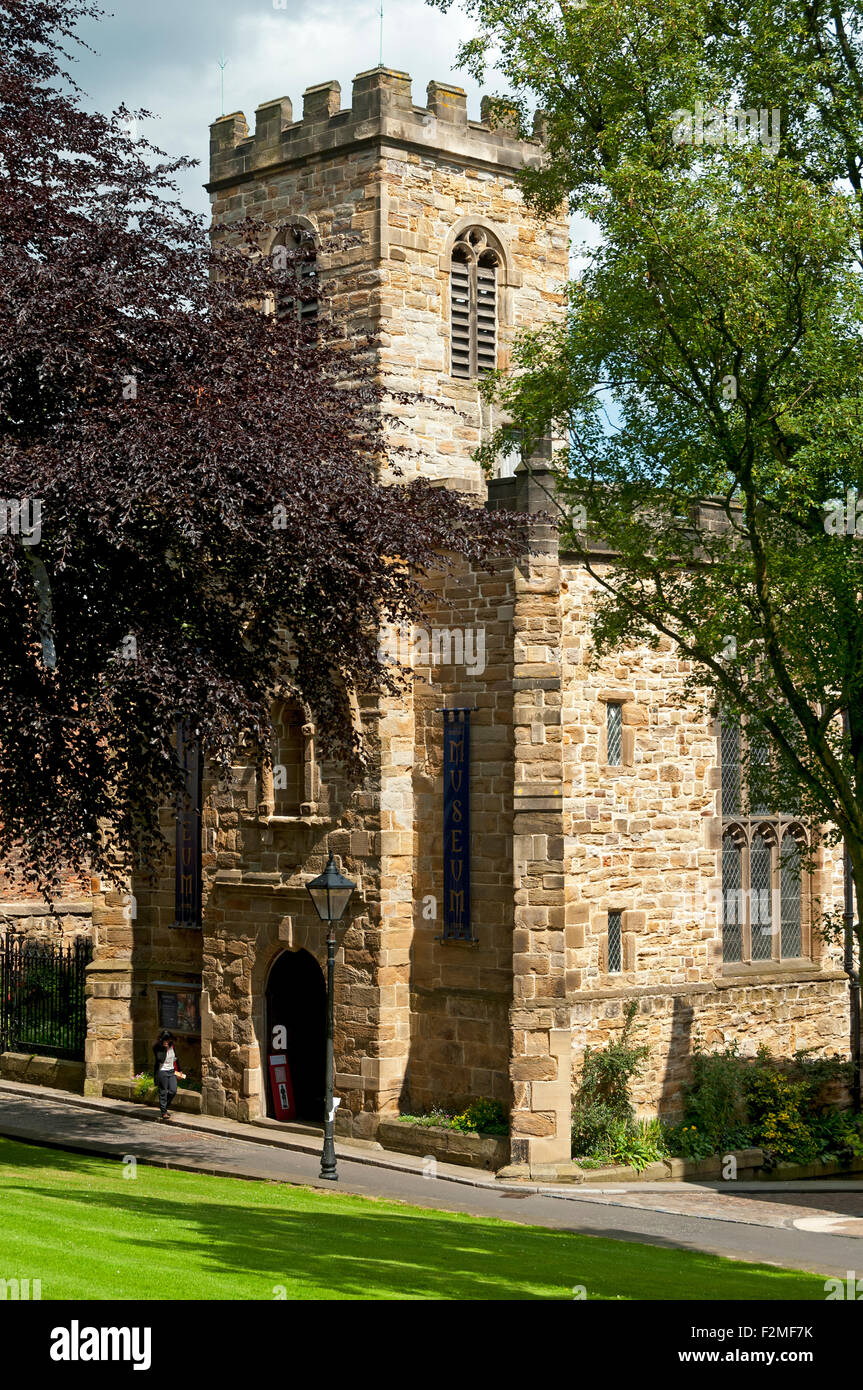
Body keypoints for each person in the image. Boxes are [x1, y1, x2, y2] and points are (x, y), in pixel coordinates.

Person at [153, 1029, 186, 1122]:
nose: (167, 1042)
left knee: (173, 1091)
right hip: (162, 1071)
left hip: (171, 1071)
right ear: (161, 1039)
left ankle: (164, 1107)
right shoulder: (157, 1047)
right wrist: (165, 1048)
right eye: (165, 1040)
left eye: (168, 1040)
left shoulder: (173, 1046)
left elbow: (176, 1059)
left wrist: (180, 1071)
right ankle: (164, 1112)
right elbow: (160, 1060)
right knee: (163, 1092)